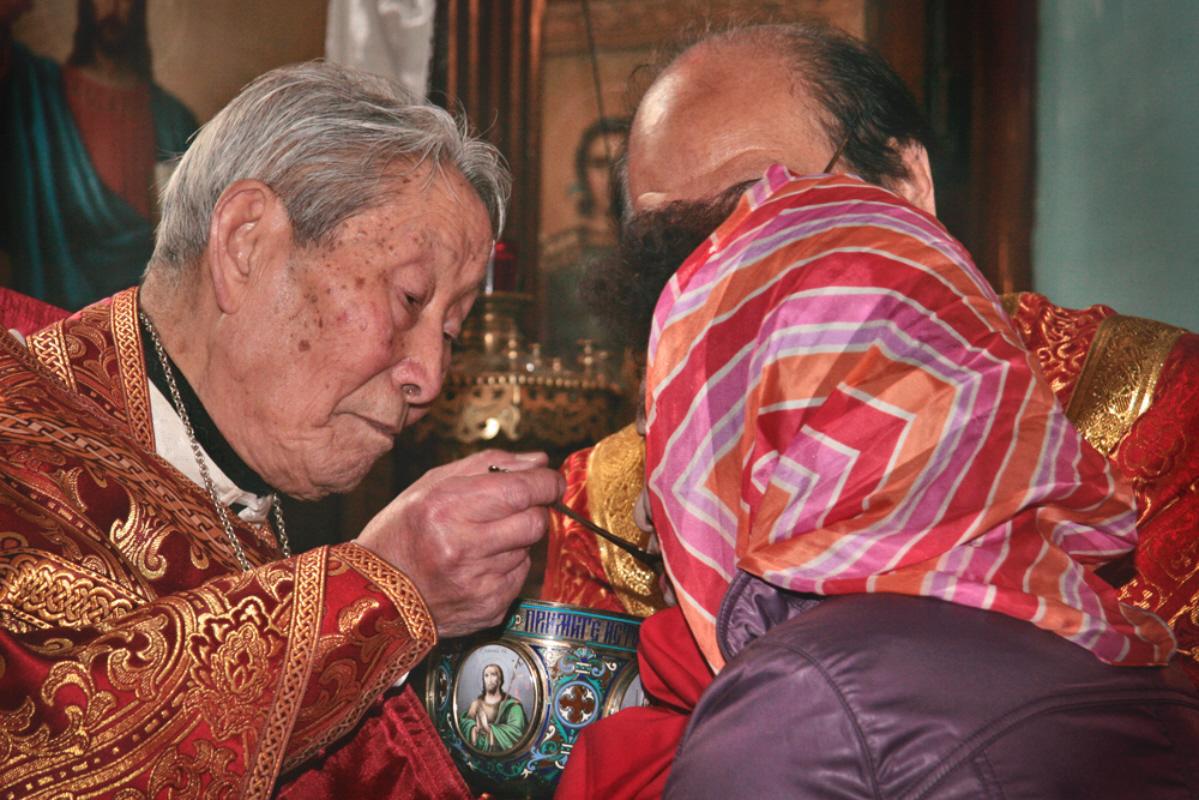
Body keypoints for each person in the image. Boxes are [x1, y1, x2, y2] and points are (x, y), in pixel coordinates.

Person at [551, 22, 1199, 799]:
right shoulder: (610, 491)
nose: (715, 281)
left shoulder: (1151, 402)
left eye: (759, 214)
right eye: (669, 251)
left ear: (905, 182)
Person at [0, 61, 564, 800]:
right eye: (408, 297)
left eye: (451, 331)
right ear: (244, 242)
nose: (428, 376)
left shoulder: (252, 500)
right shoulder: (19, 438)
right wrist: (377, 596)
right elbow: (51, 754)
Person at [0, 0, 197, 309]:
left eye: (126, 2)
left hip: (142, 314)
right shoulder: (37, 92)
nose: (114, 11)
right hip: (47, 316)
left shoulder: (173, 118)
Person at [460, 664, 528, 752]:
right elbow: (464, 724)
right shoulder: (476, 704)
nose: (489, 679)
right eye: (486, 675)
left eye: (493, 674)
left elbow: (517, 732)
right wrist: (474, 728)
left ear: (500, 679)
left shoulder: (513, 706)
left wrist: (490, 729)